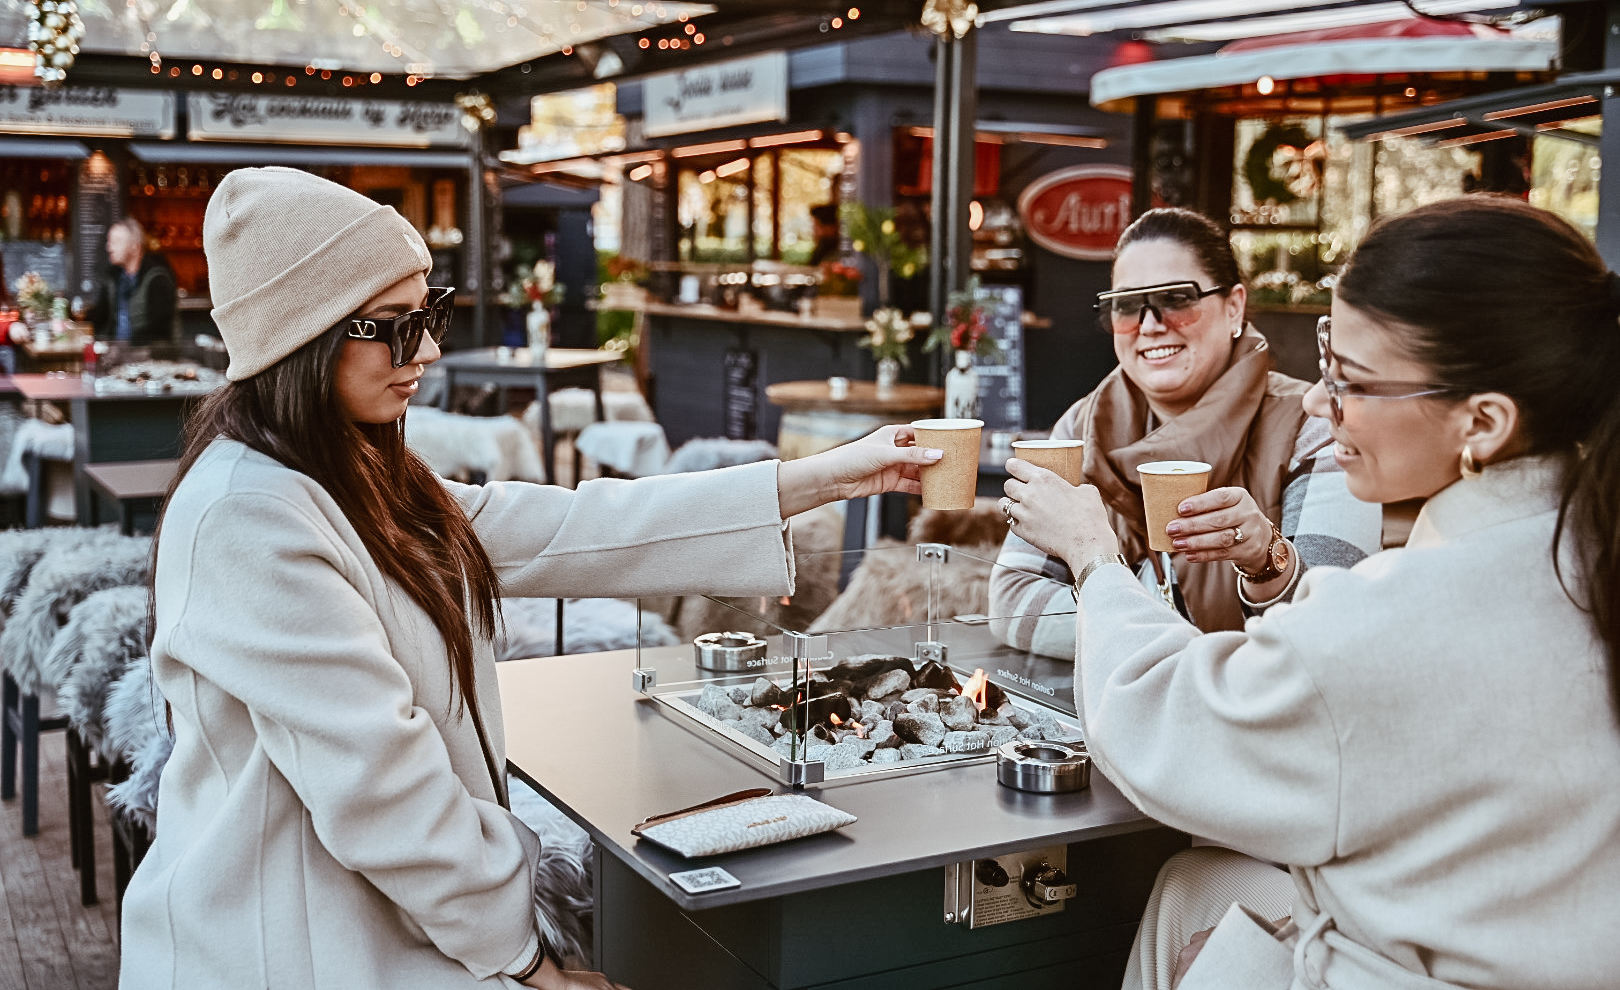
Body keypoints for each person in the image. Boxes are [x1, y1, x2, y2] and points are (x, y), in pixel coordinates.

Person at [120, 168, 943, 990]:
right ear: (303, 338)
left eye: (430, 313)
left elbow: (572, 526)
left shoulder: (350, 474)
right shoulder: (250, 517)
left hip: (378, 925)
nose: (430, 350)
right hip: (290, 948)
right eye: (399, 327)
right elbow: (385, 794)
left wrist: (833, 476)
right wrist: (529, 964)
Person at [1000, 196, 1620, 990]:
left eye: (1352, 381)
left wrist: (1092, 556)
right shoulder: (1574, 537)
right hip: (1523, 929)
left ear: (1484, 422)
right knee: (1194, 888)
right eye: (1125, 307)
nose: (1325, 400)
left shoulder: (1403, 609)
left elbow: (1166, 723)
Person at [989, 208, 1379, 657]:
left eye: (1176, 298)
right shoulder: (1083, 425)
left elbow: (1331, 624)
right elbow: (1011, 601)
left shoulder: (1312, 425)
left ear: (1234, 306)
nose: (1151, 324)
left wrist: (1266, 559)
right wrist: (1171, 628)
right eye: (1127, 305)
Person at [89, 217, 176, 345]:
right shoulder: (114, 278)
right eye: (109, 241)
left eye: (116, 241)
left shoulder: (158, 278)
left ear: (135, 247)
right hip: (116, 356)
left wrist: (127, 346)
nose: (109, 247)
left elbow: (159, 329)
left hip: (150, 358)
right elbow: (99, 318)